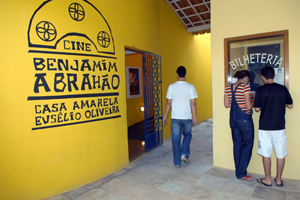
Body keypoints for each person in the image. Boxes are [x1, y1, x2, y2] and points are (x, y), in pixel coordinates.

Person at [254, 66, 293, 187]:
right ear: (274, 76)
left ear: (263, 77)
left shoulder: (260, 90)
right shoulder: (282, 89)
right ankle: (279, 180)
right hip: (280, 126)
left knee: (266, 153)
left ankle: (268, 179)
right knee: (281, 154)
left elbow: (256, 109)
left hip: (265, 127)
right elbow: (290, 105)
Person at [163, 66, 198, 168]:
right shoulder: (191, 87)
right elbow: (194, 103)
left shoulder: (171, 87)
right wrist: (194, 117)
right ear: (186, 74)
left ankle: (177, 163)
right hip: (187, 118)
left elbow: (168, 103)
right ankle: (184, 153)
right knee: (188, 135)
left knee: (175, 140)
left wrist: (165, 116)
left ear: (177, 74)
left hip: (175, 118)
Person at [224, 70, 255, 181]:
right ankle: (241, 173)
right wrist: (253, 97)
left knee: (237, 145)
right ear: (246, 77)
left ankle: (239, 171)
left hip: (233, 119)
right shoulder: (245, 87)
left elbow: (227, 104)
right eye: (249, 79)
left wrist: (237, 100)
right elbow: (249, 106)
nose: (248, 81)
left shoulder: (228, 87)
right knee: (247, 145)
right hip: (244, 120)